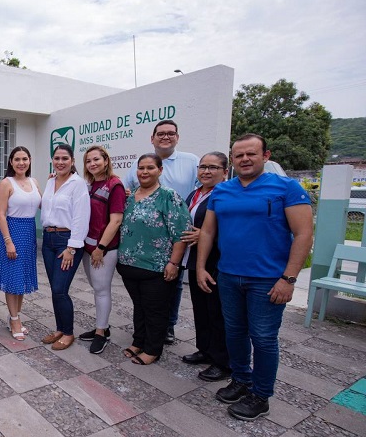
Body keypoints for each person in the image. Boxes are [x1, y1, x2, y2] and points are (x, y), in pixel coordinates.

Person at [197, 134, 312, 421]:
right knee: (234, 333)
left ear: (266, 155)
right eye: (239, 155)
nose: (245, 159)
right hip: (228, 276)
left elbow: (304, 234)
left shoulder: (287, 188)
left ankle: (260, 396)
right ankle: (241, 379)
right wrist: (200, 267)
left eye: (251, 154)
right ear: (232, 160)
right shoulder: (222, 192)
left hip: (268, 280)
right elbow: (209, 232)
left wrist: (289, 279)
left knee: (262, 338)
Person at [124, 120, 199, 344]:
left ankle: (167, 327)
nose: (165, 137)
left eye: (170, 134)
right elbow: (128, 190)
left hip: (178, 237)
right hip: (143, 247)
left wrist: (204, 226)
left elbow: (206, 189)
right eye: (160, 134)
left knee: (171, 284)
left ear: (177, 137)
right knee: (149, 295)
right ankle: (150, 329)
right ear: (152, 137)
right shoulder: (139, 166)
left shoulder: (191, 162)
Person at [117, 154, 191, 365]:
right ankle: (138, 341)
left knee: (155, 309)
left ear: (160, 170)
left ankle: (152, 349)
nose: (144, 172)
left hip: (157, 267)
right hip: (129, 265)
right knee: (139, 306)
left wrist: (174, 263)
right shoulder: (130, 197)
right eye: (141, 168)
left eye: (150, 167)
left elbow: (181, 233)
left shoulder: (168, 196)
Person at [180, 152, 231, 382]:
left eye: (213, 167)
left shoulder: (226, 194)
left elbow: (232, 227)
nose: (206, 172)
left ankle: (221, 361)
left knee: (216, 311)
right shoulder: (195, 193)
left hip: (216, 259)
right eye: (202, 167)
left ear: (225, 172)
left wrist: (207, 235)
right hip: (195, 259)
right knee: (200, 308)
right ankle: (205, 349)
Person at [40, 144, 90, 351]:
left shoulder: (78, 184)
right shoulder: (51, 182)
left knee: (61, 289)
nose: (60, 162)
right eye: (57, 158)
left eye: (64, 158)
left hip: (66, 240)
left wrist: (71, 248)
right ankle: (60, 328)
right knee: (54, 289)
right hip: (48, 239)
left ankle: (68, 332)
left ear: (72, 161)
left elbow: (81, 217)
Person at [77, 146, 125, 354]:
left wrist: (101, 248)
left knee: (102, 289)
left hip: (104, 248)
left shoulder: (115, 185)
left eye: (96, 159)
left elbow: (116, 221)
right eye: (88, 161)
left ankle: (101, 333)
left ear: (106, 160)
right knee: (96, 288)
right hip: (88, 246)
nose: (92, 164)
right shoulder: (89, 185)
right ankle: (102, 327)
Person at [0, 146, 40, 338]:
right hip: (12, 233)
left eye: (25, 159)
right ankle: (14, 320)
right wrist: (8, 241)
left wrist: (57, 183)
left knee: (21, 280)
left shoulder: (34, 181)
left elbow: (44, 204)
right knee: (13, 279)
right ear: (11, 162)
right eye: (17, 159)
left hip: (29, 233)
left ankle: (16, 315)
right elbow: (1, 214)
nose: (21, 163)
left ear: (29, 161)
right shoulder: (6, 183)